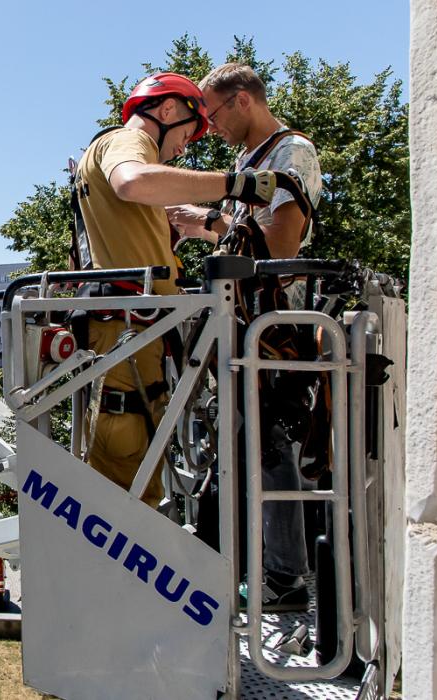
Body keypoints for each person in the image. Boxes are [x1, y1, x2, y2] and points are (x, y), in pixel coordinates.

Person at [72, 71, 283, 508]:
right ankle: (124, 551)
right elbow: (132, 181)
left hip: (130, 331)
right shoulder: (128, 142)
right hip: (129, 335)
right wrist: (233, 184)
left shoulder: (114, 151)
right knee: (127, 472)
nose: (184, 149)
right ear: (167, 110)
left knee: (136, 466)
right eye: (187, 133)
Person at [167, 63, 322, 611]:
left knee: (269, 439)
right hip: (244, 320)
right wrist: (202, 226)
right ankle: (238, 564)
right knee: (238, 441)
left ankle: (285, 578)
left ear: (242, 100)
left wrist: (210, 222)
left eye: (212, 114)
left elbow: (279, 246)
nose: (209, 127)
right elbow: (245, 240)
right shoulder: (247, 162)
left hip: (274, 326)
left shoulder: (291, 154)